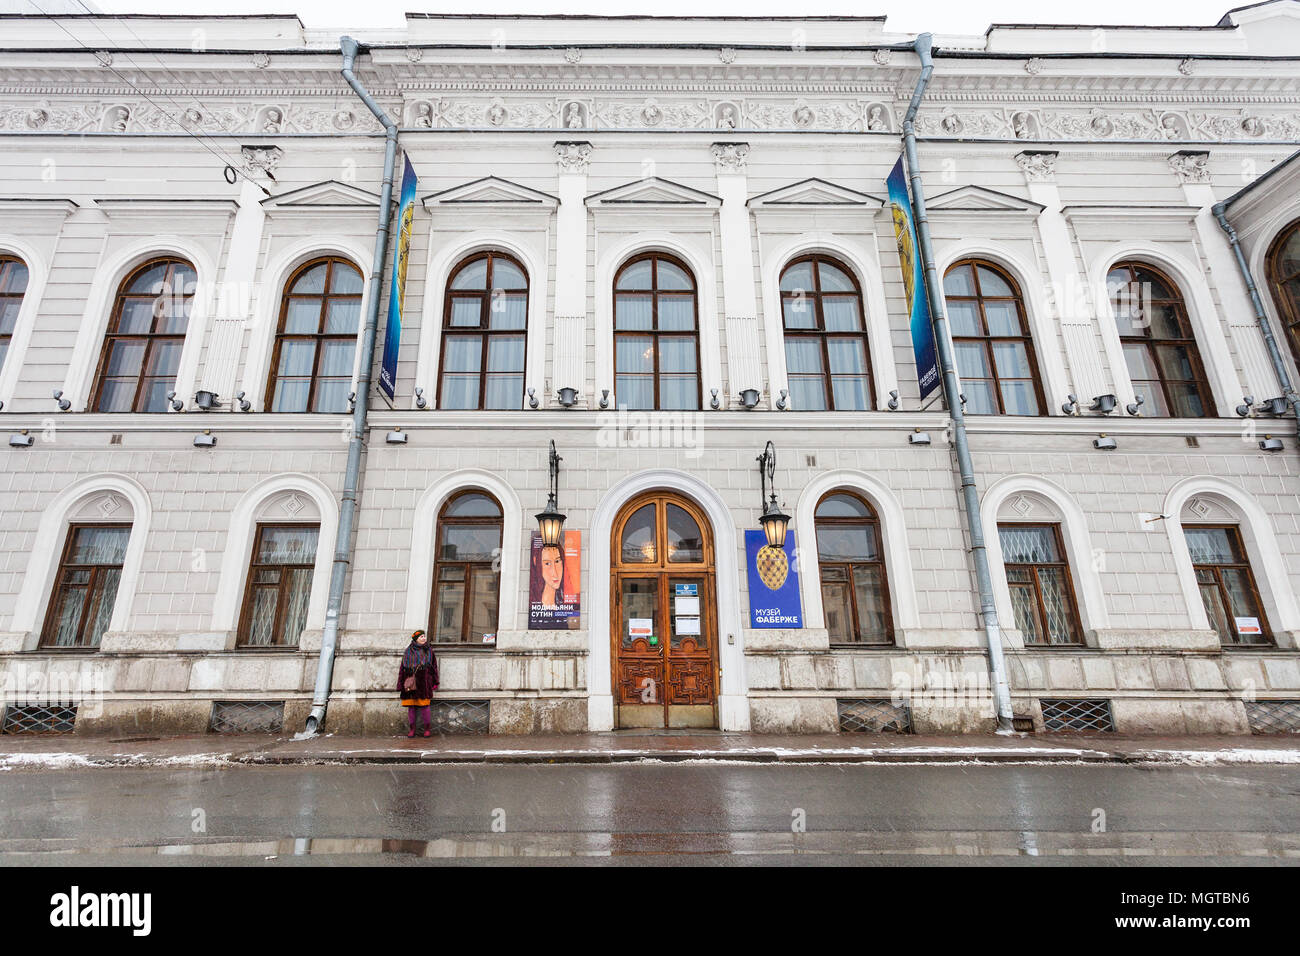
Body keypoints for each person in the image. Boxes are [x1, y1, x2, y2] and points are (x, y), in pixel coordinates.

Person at [397, 630, 438, 738]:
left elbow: (434, 667)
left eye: (424, 636)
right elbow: (402, 669)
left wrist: (435, 681)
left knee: (425, 706)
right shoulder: (408, 651)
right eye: (421, 637)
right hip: (410, 682)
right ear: (416, 639)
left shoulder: (429, 650)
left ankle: (427, 729)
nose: (424, 638)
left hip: (424, 682)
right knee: (411, 707)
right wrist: (400, 684)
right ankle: (412, 729)